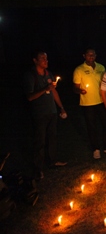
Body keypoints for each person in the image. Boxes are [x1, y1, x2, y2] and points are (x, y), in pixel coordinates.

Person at [23, 50, 67, 181]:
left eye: (46, 58)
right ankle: (38, 169)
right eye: (42, 58)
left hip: (52, 112)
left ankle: (53, 161)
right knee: (40, 141)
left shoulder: (49, 74)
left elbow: (54, 92)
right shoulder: (30, 76)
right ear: (35, 60)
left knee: (52, 137)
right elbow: (30, 97)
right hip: (39, 113)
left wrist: (61, 108)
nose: (45, 61)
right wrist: (45, 89)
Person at [73, 48, 106, 159]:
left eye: (93, 55)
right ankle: (95, 149)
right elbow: (75, 87)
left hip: (101, 101)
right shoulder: (79, 70)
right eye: (89, 55)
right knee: (91, 127)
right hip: (88, 103)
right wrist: (80, 90)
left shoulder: (101, 67)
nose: (91, 57)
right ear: (84, 56)